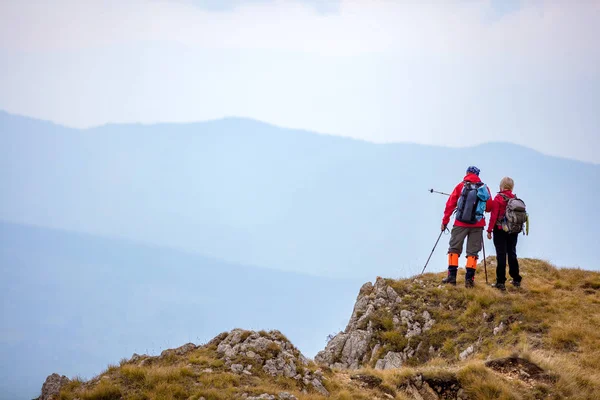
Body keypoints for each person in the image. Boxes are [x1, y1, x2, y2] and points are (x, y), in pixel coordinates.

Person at [441, 166, 492, 287]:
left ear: (467, 173)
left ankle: (451, 277)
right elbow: (489, 208)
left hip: (460, 223)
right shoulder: (484, 188)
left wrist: (445, 221)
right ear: (478, 175)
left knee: (454, 248)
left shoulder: (461, 186)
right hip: (478, 224)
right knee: (472, 252)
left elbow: (450, 204)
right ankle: (469, 280)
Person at [487, 177, 522, 291]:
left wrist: (489, 230)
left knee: (501, 255)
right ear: (512, 187)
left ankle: (500, 282)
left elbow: (494, 216)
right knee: (512, 253)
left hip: (500, 230)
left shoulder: (498, 198)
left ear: (501, 186)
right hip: (513, 230)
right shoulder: (515, 199)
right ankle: (516, 279)